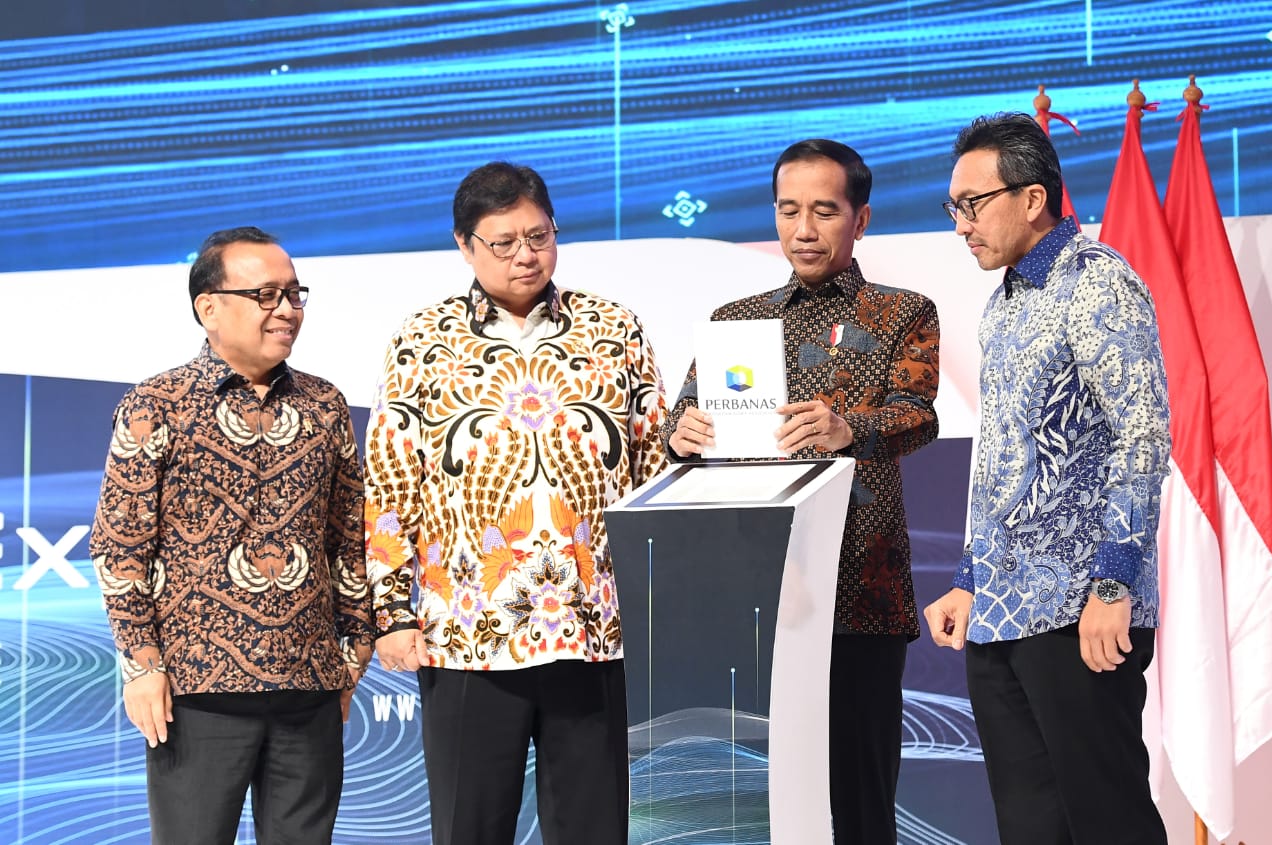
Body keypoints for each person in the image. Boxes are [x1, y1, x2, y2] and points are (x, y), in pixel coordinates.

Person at [364, 161, 669, 845]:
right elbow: (388, 482)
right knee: (471, 827)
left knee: (594, 829)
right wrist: (388, 613)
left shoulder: (614, 328)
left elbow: (656, 466)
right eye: (503, 242)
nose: (526, 254)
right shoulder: (422, 340)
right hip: (468, 626)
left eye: (539, 235)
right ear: (464, 245)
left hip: (592, 625)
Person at [660, 138, 941, 845]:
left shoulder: (903, 311)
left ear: (862, 218)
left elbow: (918, 415)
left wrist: (848, 426)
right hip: (750, 593)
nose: (804, 229)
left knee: (858, 796)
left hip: (859, 589)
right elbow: (683, 415)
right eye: (789, 211)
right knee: (750, 802)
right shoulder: (734, 320)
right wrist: (679, 431)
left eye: (823, 211)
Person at [923, 112, 1171, 844]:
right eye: (953, 208)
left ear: (1033, 199)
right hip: (1002, 615)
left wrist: (1113, 585)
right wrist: (971, 575)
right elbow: (1005, 459)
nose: (962, 224)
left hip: (1077, 610)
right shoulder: (1004, 304)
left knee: (1108, 821)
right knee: (1031, 828)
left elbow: (1143, 435)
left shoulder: (1097, 281)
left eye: (974, 203)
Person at [89, 226, 373, 844]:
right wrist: (142, 666)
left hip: (309, 690)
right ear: (208, 307)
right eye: (266, 295)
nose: (287, 310)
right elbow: (120, 547)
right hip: (196, 692)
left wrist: (352, 659)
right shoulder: (155, 404)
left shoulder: (327, 405)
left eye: (295, 294)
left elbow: (349, 541)